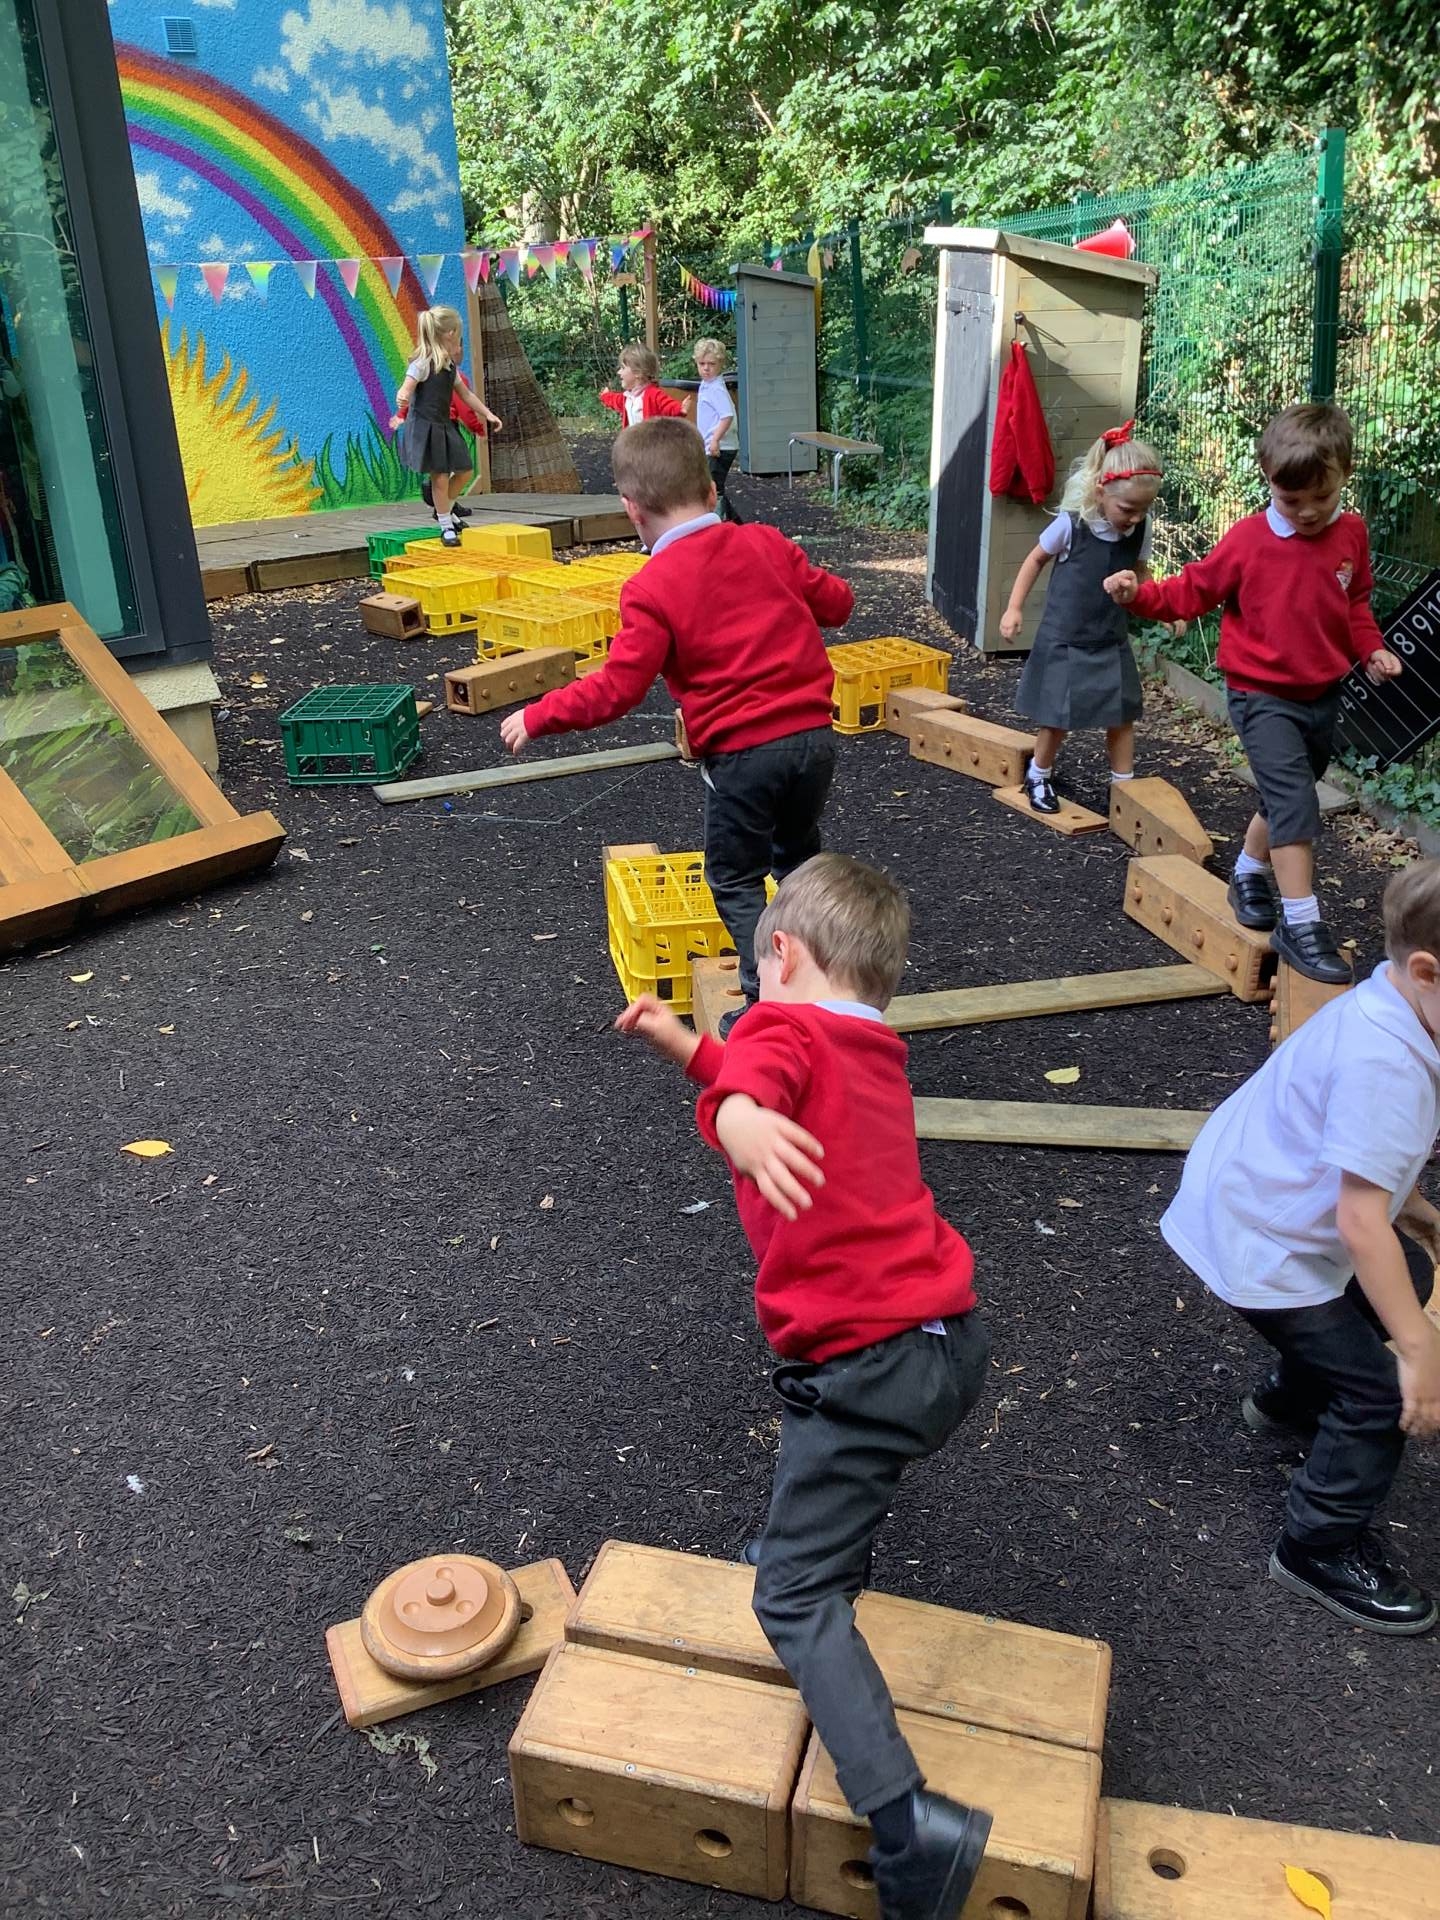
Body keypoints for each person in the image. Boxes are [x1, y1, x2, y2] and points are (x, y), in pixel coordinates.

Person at [616, 853, 994, 1919]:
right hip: (946, 1346)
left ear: (779, 953)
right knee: (827, 1455)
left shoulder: (777, 1030)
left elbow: (763, 1072)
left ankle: (911, 1827)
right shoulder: (873, 1049)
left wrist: (730, 1109)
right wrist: (695, 1055)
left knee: (789, 1595)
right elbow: (765, 1071)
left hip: (864, 1363)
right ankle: (820, 1545)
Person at [1161, 857, 1440, 1636]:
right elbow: (1359, 1222)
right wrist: (1419, 1349)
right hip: (1264, 1238)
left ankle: (1292, 1398)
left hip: (1256, 1197)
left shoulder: (1391, 1004)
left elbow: (1354, 1154)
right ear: (1427, 971)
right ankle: (1318, 1545)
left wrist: (1411, 1205)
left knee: (1400, 1274)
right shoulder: (1390, 1065)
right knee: (1381, 1394)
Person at [499, 418, 852, 1029]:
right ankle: (822, 977)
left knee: (736, 877)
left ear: (631, 510)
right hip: (814, 741)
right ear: (711, 491)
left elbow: (618, 689)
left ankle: (768, 1001)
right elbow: (838, 603)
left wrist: (538, 714)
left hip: (743, 756)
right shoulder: (766, 543)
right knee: (797, 861)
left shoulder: (651, 587)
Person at [1104, 403, 1402, 984]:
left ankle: (1247, 872)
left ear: (1345, 474)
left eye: (1322, 496)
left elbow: (1356, 602)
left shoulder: (1352, 533)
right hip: (1259, 694)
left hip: (1321, 691)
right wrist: (1138, 595)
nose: (1308, 511)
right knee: (1294, 800)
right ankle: (1301, 922)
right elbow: (1191, 592)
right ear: (1268, 479)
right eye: (1292, 500)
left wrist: (1371, 649)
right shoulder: (1248, 540)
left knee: (1290, 792)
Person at [999, 423, 1166, 815]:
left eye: (1143, 509)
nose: (1135, 517)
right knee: (1058, 715)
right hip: (1066, 637)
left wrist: (1163, 608)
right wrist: (1014, 607)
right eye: (1128, 508)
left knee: (1121, 714)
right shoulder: (1072, 524)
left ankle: (1123, 788)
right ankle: (1039, 774)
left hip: (1110, 636)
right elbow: (1035, 559)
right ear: (1101, 492)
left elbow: (1142, 573)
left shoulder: (1139, 530)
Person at [389, 307, 502, 548]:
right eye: (458, 334)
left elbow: (466, 394)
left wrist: (487, 413)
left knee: (465, 471)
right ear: (450, 334)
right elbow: (407, 387)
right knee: (440, 477)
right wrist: (402, 396)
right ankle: (446, 526)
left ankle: (445, 510)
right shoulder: (422, 363)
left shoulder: (450, 366)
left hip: (444, 425)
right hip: (426, 428)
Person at [692, 336, 743, 522]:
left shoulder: (716, 389)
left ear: (720, 364)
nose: (706, 368)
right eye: (702, 364)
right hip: (712, 445)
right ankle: (733, 523)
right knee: (712, 485)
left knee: (713, 488)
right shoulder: (707, 385)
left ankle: (720, 524)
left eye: (711, 364)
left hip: (720, 447)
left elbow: (727, 416)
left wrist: (715, 439)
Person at [599, 343, 689, 428]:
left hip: (649, 439)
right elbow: (615, 400)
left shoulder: (653, 394)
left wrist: (679, 409)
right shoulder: (628, 397)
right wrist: (605, 396)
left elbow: (666, 405)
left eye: (623, 368)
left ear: (638, 372)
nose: (619, 372)